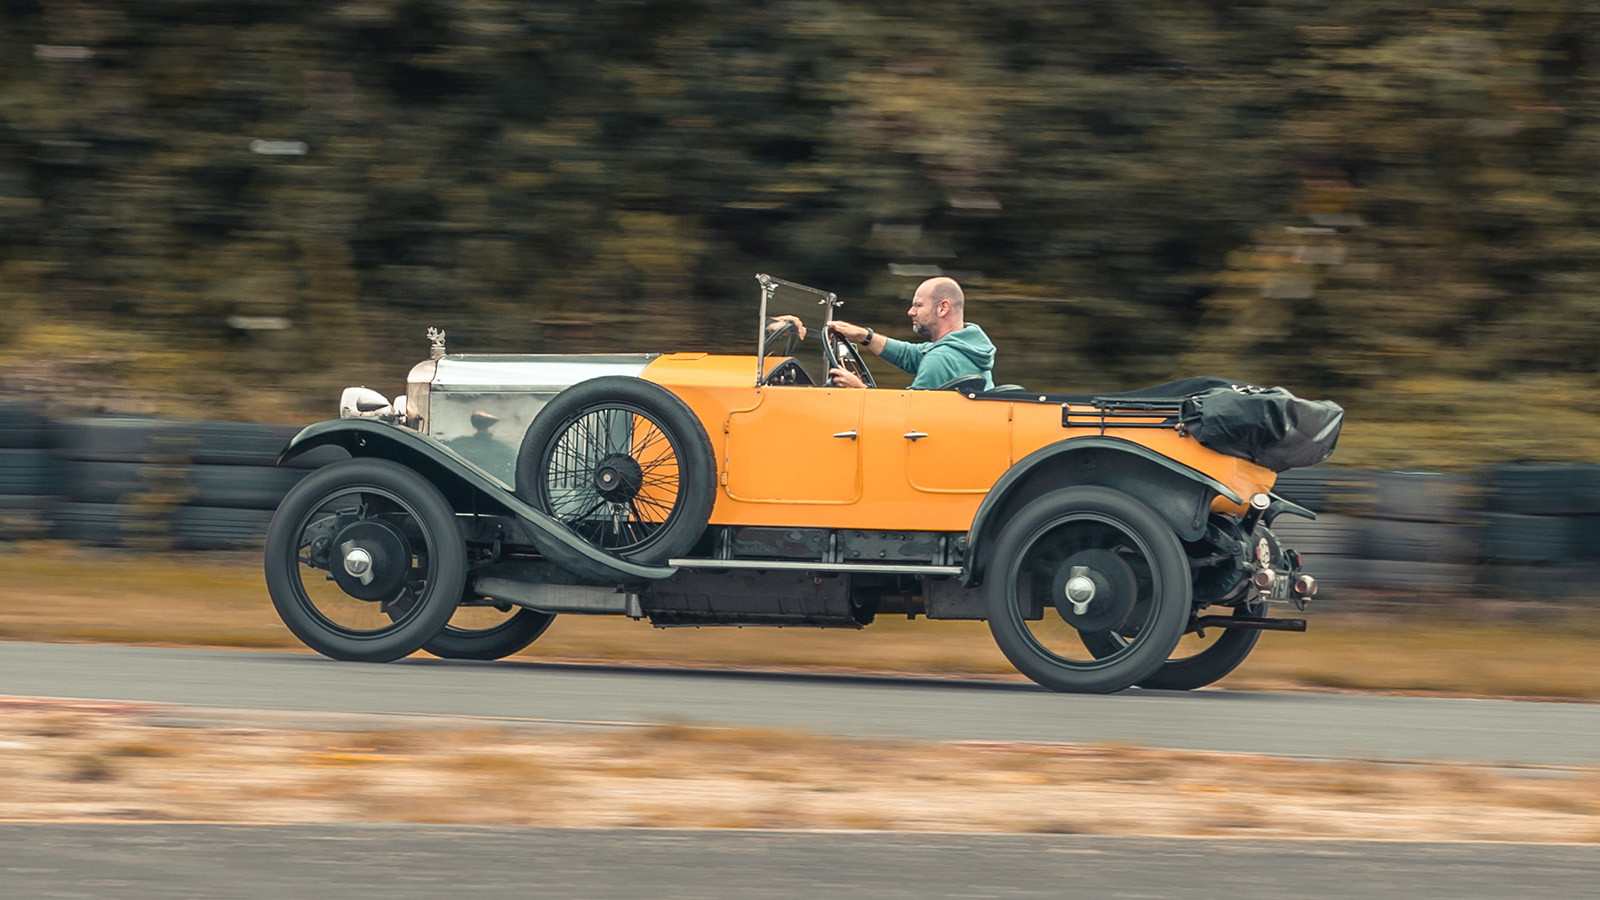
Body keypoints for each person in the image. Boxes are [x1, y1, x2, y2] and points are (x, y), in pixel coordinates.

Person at [827, 276, 996, 389]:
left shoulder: (940, 359)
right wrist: (864, 335)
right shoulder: (967, 349)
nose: (911, 312)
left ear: (942, 308)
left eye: (918, 305)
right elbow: (908, 354)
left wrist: (859, 390)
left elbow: (906, 417)